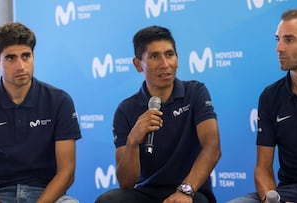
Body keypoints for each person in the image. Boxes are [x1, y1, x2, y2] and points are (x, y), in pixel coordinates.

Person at [94, 25, 221, 203]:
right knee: (108, 200)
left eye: (169, 54)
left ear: (177, 58)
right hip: (145, 193)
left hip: (189, 190)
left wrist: (185, 190)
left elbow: (212, 147)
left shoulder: (195, 92)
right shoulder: (126, 110)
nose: (165, 64)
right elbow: (126, 182)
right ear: (138, 65)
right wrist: (132, 141)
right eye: (154, 56)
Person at [227, 9, 297, 203]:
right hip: (287, 191)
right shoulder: (270, 96)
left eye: (289, 40)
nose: (279, 48)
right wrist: (272, 200)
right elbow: (262, 168)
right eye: (278, 39)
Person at [0, 22, 82, 203]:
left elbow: (67, 172)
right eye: (11, 58)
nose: (21, 66)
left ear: (33, 56)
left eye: (26, 56)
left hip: (45, 193)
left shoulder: (59, 100)